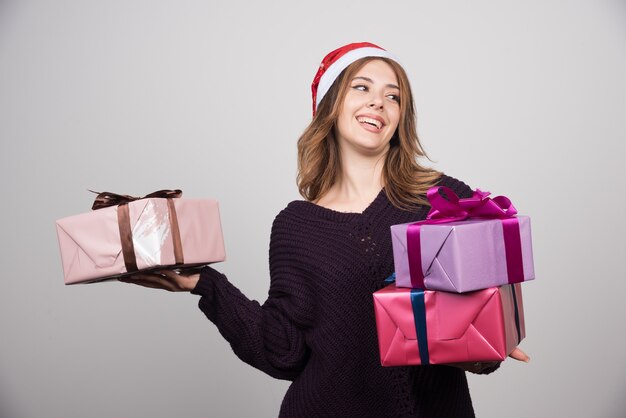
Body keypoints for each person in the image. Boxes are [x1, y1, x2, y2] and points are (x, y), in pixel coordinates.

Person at [122, 42, 529, 417]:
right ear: (330, 106)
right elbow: (284, 352)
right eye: (362, 87)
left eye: (394, 96)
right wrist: (204, 285)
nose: (378, 103)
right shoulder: (295, 227)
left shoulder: (440, 198)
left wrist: (488, 342)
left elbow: (483, 323)